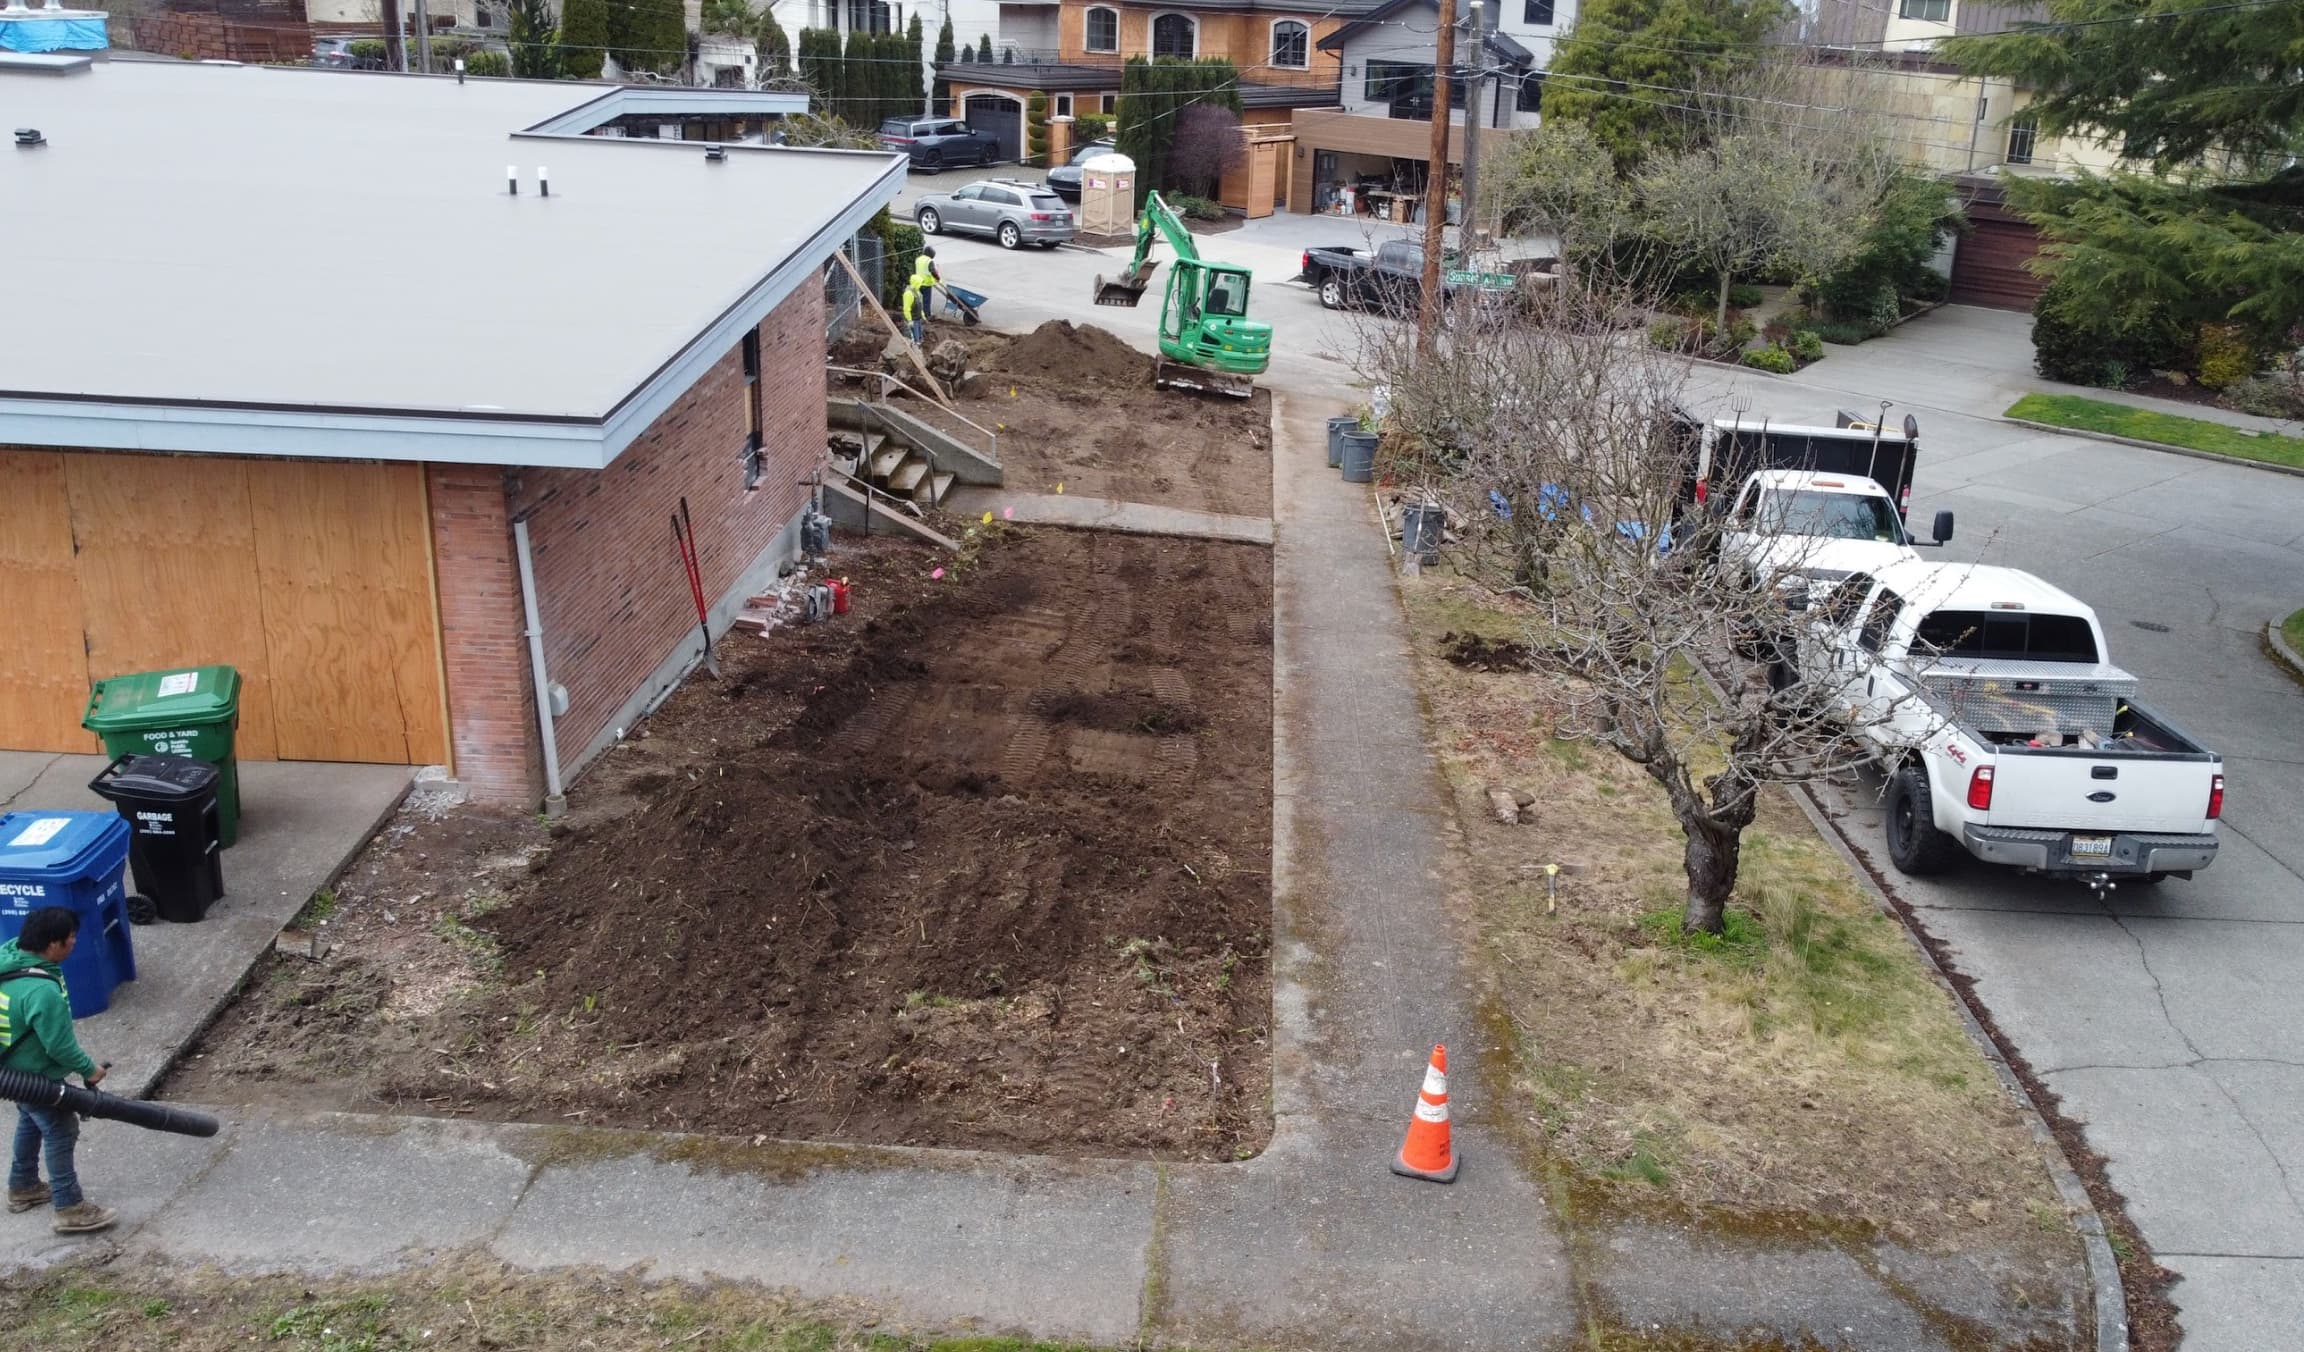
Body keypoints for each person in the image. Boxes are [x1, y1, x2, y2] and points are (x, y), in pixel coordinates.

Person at [2, 908, 114, 1235]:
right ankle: (69, 1207)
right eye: (71, 939)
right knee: (61, 1128)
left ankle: (22, 1187)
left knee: (30, 1120)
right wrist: (89, 1069)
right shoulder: (41, 991)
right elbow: (58, 1046)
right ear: (53, 945)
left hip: (12, 1073)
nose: (74, 943)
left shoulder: (9, 956)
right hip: (34, 1076)